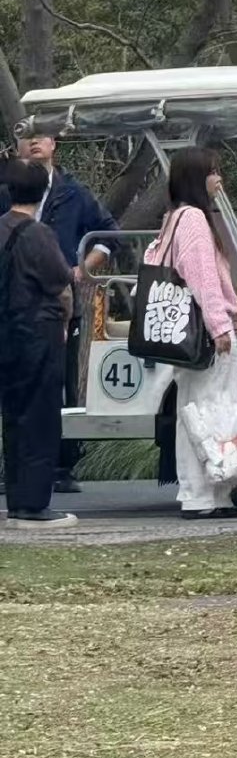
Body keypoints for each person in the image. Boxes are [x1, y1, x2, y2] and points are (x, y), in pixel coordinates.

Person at [0, 136, 121, 493]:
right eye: (26, 137)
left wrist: (80, 270)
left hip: (53, 307)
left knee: (58, 389)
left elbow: (108, 234)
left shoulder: (74, 193)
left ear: (54, 143)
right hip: (15, 306)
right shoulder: (8, 196)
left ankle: (60, 465)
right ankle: (19, 473)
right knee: (17, 394)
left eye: (41, 136)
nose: (33, 143)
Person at [144, 147, 237, 519]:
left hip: (181, 335)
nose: (219, 180)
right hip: (204, 332)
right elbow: (201, 278)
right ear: (198, 178)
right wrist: (219, 326)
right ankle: (206, 494)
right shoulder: (196, 219)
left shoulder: (173, 218)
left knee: (195, 410)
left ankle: (203, 493)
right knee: (212, 409)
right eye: (214, 172)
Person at [0, 161, 77, 527]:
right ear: (43, 191)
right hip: (38, 332)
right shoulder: (39, 234)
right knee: (41, 418)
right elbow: (60, 281)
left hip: (6, 333)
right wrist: (64, 321)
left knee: (13, 417)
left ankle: (15, 498)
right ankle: (34, 504)